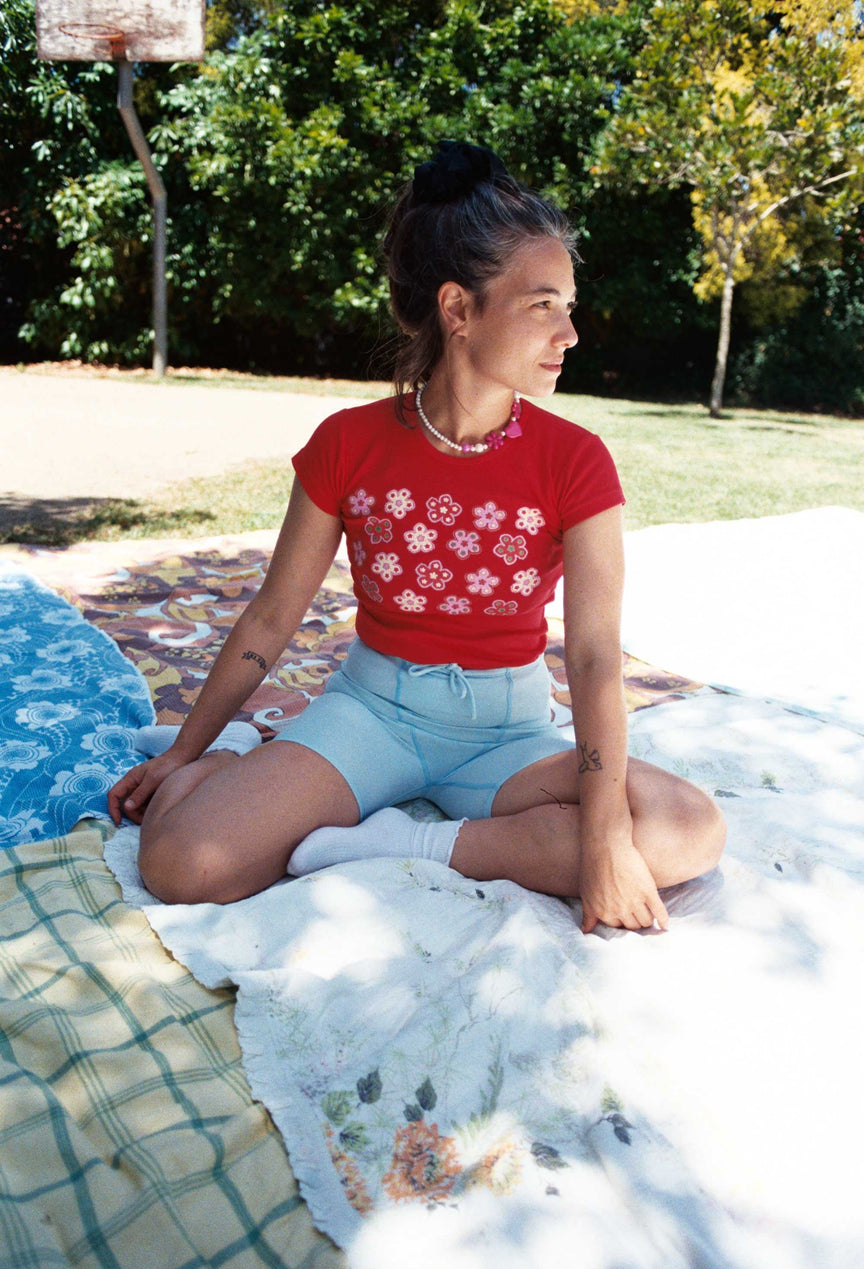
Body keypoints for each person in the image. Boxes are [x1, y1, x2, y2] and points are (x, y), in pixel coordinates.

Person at [108, 140, 725, 933]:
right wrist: (183, 755)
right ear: (459, 309)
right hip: (372, 713)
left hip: (507, 736)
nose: (569, 333)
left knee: (686, 830)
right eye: (543, 305)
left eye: (569, 306)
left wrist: (604, 834)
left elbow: (597, 654)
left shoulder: (577, 460)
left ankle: (409, 843)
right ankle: (243, 765)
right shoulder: (346, 444)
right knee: (181, 865)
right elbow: (272, 617)